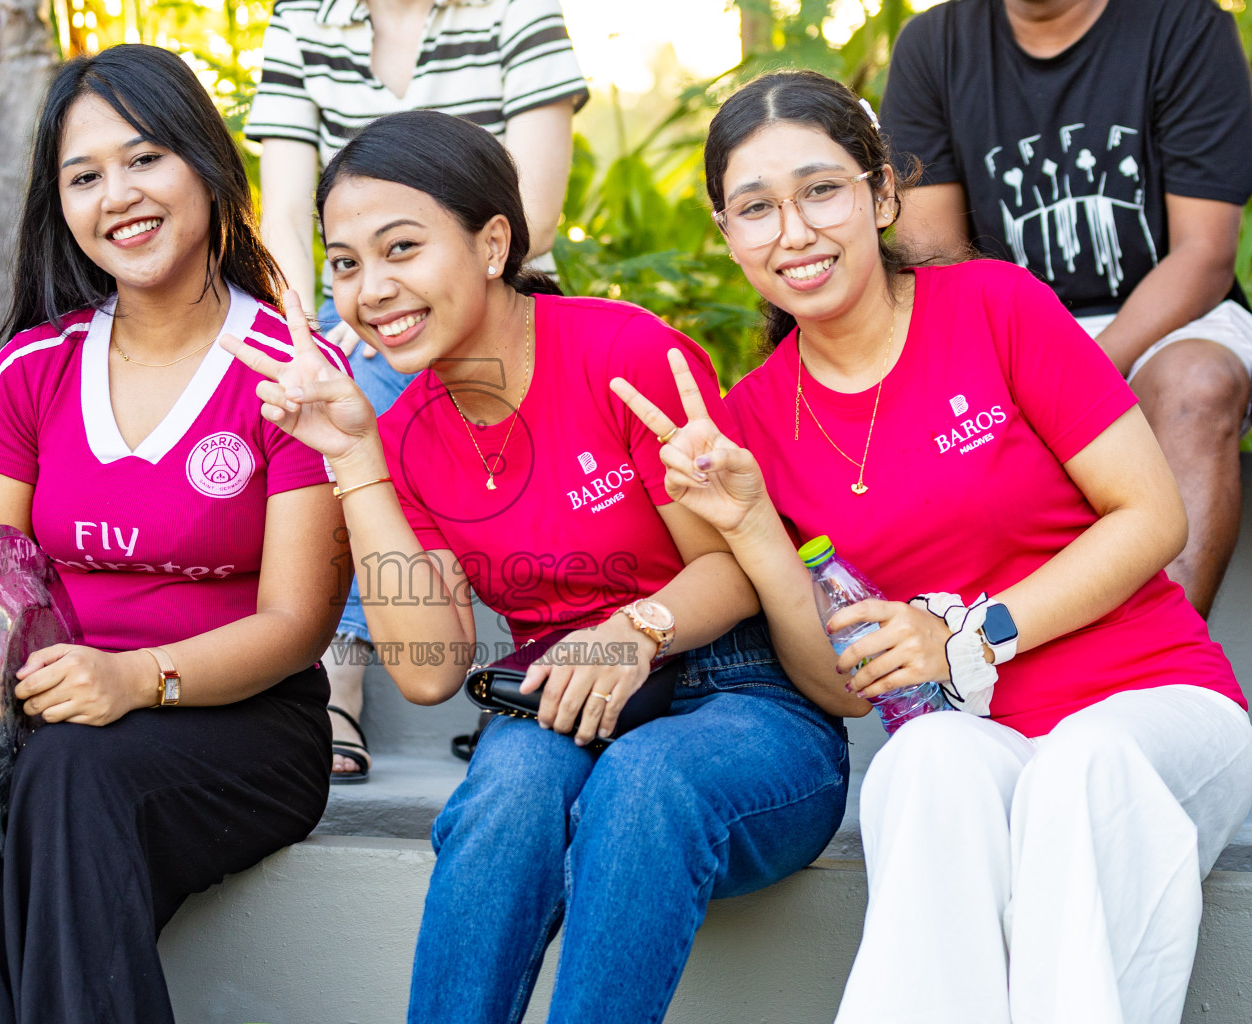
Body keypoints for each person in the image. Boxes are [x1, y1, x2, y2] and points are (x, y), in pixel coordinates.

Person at [613, 69, 1252, 1023]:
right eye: (757, 208)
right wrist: (747, 528)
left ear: (880, 195)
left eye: (821, 191)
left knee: (1079, 767)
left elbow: (1152, 517)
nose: (794, 231)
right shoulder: (751, 424)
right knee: (919, 763)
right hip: (984, 742)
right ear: (727, 233)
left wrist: (966, 636)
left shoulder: (993, 305)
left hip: (1150, 708)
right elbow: (842, 689)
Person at [221, 108, 854, 1023]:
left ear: (492, 244)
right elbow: (430, 672)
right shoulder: (402, 432)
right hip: (563, 698)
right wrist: (357, 461)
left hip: (743, 695)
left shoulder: (622, 352)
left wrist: (634, 632)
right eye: (346, 264)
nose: (372, 289)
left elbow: (735, 571)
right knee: (507, 794)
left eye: (402, 248)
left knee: (645, 782)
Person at [0, 45, 347, 1023]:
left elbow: (296, 626)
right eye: (84, 176)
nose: (117, 195)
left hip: (240, 716)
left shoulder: (290, 370)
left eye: (145, 158)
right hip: (57, 711)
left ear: (206, 165)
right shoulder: (31, 369)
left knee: (73, 768)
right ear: (62, 205)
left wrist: (135, 678)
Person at [246, 0, 589, 779]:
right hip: (358, 303)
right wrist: (315, 331)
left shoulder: (516, 11)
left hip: (498, 285)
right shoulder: (301, 22)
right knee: (324, 386)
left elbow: (532, 212)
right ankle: (339, 666)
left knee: (379, 385)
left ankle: (522, 652)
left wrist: (412, 295)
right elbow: (288, 216)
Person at [877, 0, 1252, 617]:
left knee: (1197, 384)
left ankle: (1172, 653)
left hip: (1167, 316)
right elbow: (935, 263)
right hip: (1005, 325)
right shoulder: (933, 46)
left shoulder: (1185, 25)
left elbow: (1205, 255)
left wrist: (1075, 380)